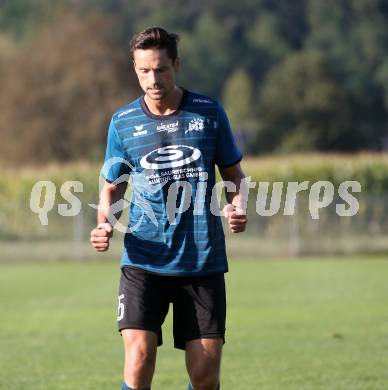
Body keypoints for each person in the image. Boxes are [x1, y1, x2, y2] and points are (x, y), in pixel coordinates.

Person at [90, 27, 248, 390]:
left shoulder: (208, 113)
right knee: (139, 357)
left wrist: (236, 206)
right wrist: (104, 224)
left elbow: (234, 174)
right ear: (134, 68)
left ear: (175, 64)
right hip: (144, 258)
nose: (153, 79)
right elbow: (113, 188)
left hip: (201, 259)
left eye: (161, 69)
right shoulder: (123, 122)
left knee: (205, 376)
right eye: (144, 70)